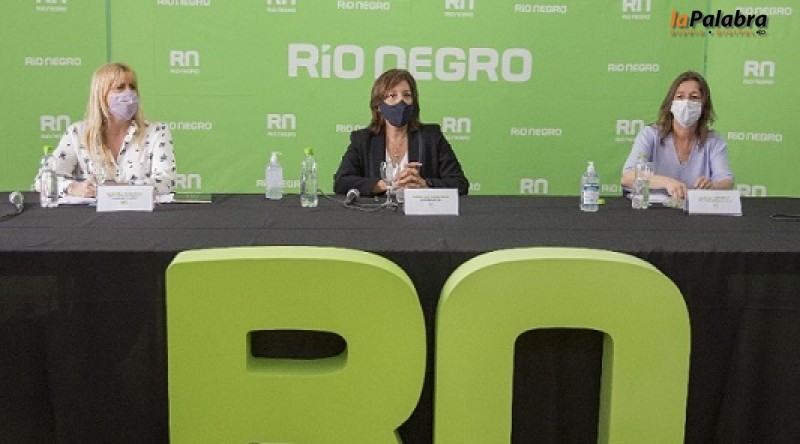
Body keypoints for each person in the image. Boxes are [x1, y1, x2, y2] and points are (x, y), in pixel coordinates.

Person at [35, 62, 177, 197]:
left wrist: (115, 191)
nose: (129, 93)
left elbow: (166, 181)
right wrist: (73, 188)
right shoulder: (77, 133)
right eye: (120, 88)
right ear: (101, 95)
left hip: (140, 212)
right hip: (90, 213)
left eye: (132, 87)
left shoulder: (156, 131)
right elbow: (44, 180)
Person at [333, 69, 469, 196]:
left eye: (407, 95)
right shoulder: (363, 139)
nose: (401, 101)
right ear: (378, 106)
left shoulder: (431, 136)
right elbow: (341, 182)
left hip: (420, 212)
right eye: (392, 95)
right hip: (377, 212)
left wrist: (424, 184)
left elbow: (460, 184)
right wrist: (386, 184)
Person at [621, 70, 733, 199]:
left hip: (694, 208)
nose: (686, 103)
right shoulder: (650, 134)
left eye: (694, 97)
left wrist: (713, 186)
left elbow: (726, 180)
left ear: (704, 105)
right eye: (680, 96)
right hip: (654, 208)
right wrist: (666, 182)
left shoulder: (713, 140)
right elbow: (628, 177)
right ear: (671, 103)